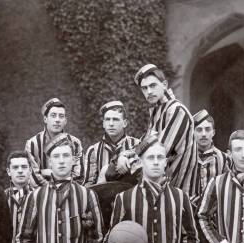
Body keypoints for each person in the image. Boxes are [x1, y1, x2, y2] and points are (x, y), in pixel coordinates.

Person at [134, 63, 198, 198]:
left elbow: (159, 151)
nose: (149, 91)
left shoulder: (176, 110)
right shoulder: (157, 111)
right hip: (161, 186)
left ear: (164, 85)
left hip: (178, 193)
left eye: (153, 85)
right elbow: (143, 143)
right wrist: (123, 157)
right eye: (144, 88)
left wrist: (131, 161)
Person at [25, 98, 84, 187]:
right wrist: (52, 192)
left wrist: (48, 173)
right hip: (41, 196)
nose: (57, 120)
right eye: (53, 115)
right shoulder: (33, 144)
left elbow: (79, 176)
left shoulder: (75, 143)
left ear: (65, 121)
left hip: (71, 194)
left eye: (61, 116)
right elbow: (33, 179)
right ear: (45, 119)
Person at [82, 100, 140, 186]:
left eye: (115, 119)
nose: (111, 124)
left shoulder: (136, 144)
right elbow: (87, 186)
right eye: (107, 120)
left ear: (124, 123)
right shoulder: (93, 151)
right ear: (103, 124)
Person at [191, 109, 229, 208]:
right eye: (199, 130)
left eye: (207, 129)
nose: (203, 134)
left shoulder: (225, 159)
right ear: (193, 132)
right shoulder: (185, 159)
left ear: (213, 132)